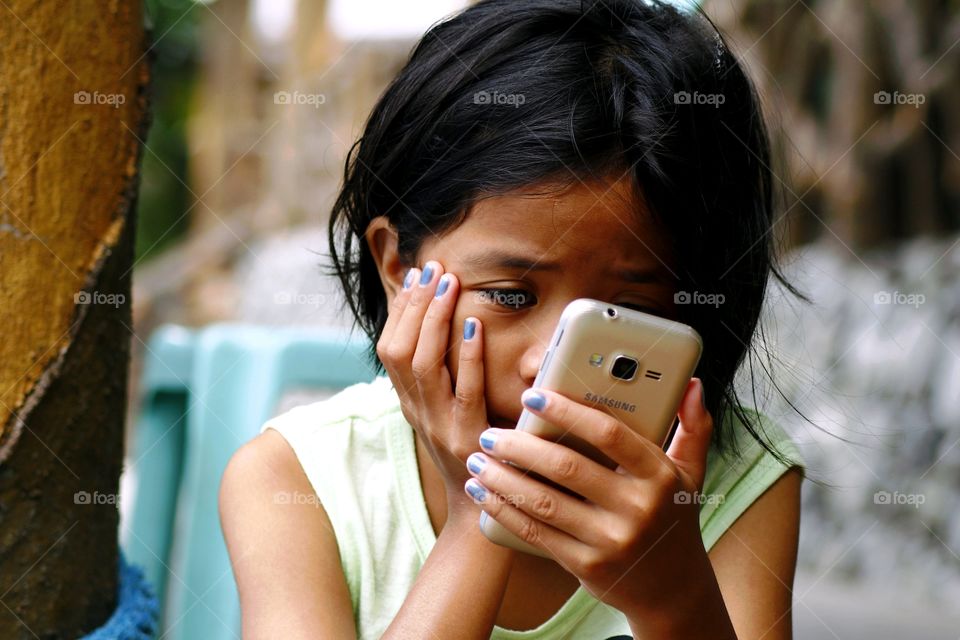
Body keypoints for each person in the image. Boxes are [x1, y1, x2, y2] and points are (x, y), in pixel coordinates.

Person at [219, 0, 807, 638]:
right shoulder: (298, 478)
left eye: (625, 311)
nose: (546, 363)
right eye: (508, 296)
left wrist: (671, 595)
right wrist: (479, 521)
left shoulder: (739, 481)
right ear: (396, 267)